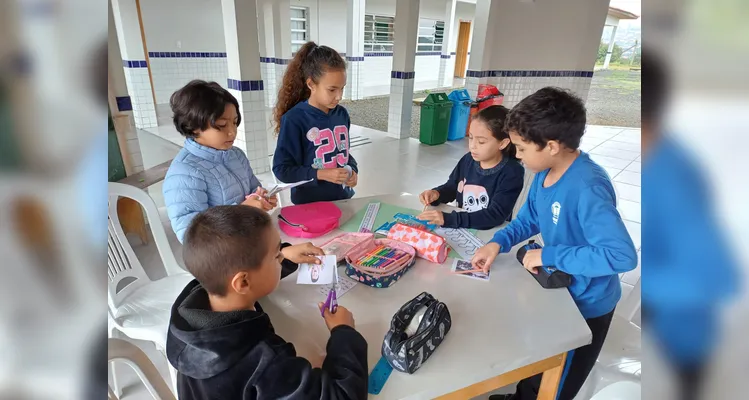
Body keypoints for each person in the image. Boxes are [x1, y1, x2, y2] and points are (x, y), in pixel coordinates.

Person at [472, 88, 638, 400]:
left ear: (551, 146)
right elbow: (529, 218)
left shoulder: (588, 186)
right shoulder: (545, 171)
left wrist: (550, 254)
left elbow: (621, 256)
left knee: (558, 381)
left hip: (587, 305)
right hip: (561, 288)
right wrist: (498, 243)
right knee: (539, 354)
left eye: (521, 148)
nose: (516, 155)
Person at [167, 205, 368, 399]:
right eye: (277, 255)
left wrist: (286, 257)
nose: (282, 257)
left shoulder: (191, 308)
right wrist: (344, 333)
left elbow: (242, 278)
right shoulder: (265, 362)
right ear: (244, 281)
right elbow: (343, 395)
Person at [640, 50, 737, 400]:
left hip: (682, 334)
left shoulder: (675, 180)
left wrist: (652, 287)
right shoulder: (653, 162)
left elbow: (720, 277)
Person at [163, 80, 277, 242]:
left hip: (247, 237)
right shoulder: (185, 172)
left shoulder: (236, 155)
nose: (232, 132)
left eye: (234, 122)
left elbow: (253, 188)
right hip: (223, 255)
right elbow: (190, 235)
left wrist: (263, 197)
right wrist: (242, 211)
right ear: (194, 126)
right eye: (222, 125)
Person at [272, 41, 358, 204]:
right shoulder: (294, 119)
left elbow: (342, 152)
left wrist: (352, 170)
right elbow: (282, 170)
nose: (339, 96)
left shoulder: (341, 114)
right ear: (311, 84)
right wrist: (321, 174)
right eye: (332, 90)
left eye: (342, 88)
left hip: (343, 199)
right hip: (310, 204)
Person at [417, 105, 525, 229]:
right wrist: (437, 194)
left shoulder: (512, 172)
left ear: (503, 143)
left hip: (489, 233)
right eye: (471, 138)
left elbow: (495, 215)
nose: (473, 146)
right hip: (463, 226)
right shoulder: (468, 159)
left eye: (481, 142)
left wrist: (450, 219)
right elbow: (453, 187)